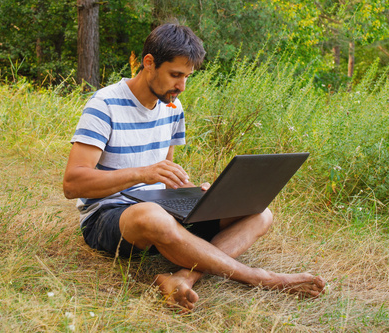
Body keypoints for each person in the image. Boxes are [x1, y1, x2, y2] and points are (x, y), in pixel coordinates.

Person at [63, 23, 325, 311]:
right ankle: (260, 278)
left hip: (159, 210)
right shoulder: (104, 104)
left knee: (259, 213)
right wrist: (142, 173)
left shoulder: (172, 108)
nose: (182, 86)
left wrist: (200, 194)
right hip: (110, 217)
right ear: (149, 63)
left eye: (187, 77)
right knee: (153, 216)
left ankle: (184, 277)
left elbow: (164, 180)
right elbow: (73, 183)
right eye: (175, 75)